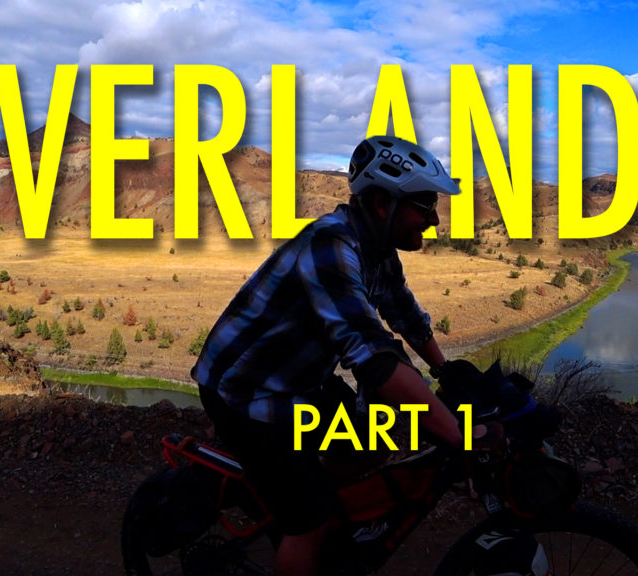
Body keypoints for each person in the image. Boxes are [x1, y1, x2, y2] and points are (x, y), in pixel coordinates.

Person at [191, 135, 465, 575]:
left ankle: (296, 498)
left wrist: (447, 371)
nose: (433, 219)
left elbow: (405, 316)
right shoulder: (330, 245)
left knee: (377, 439)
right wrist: (460, 435)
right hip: (246, 392)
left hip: (300, 383)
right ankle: (303, 520)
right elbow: (372, 355)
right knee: (310, 520)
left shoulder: (377, 251)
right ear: (382, 204)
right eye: (424, 205)